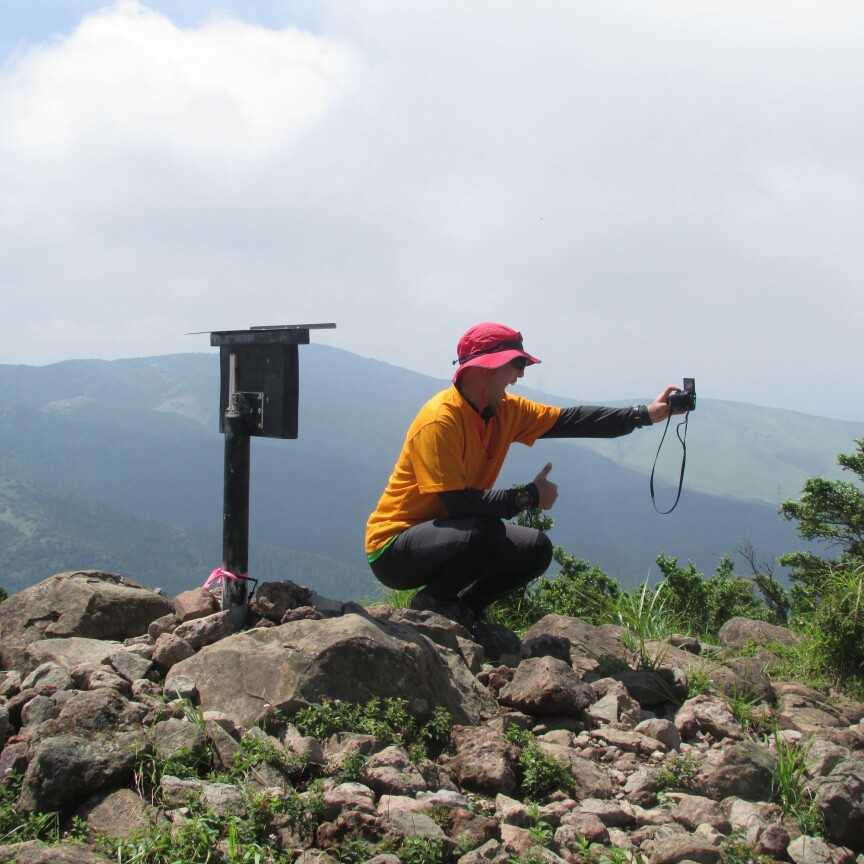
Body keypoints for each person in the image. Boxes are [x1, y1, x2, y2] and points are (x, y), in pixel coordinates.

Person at [364, 321, 681, 626]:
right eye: (517, 363)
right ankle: (434, 603)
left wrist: (644, 415)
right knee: (486, 532)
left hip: (451, 536)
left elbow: (570, 421)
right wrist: (528, 496)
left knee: (535, 548)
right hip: (393, 549)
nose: (521, 374)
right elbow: (457, 504)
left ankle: (464, 611)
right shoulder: (441, 420)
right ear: (486, 368)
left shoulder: (506, 411)